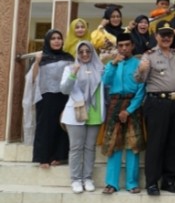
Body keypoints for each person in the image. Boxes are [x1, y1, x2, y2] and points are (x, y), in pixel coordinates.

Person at [135, 22, 175, 196]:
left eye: (169, 35)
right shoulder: (148, 55)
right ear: (156, 36)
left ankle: (169, 181)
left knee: (174, 143)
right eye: (162, 35)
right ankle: (152, 182)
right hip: (157, 103)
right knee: (156, 144)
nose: (166, 38)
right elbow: (139, 79)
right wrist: (141, 70)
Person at [100, 33, 145, 194]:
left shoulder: (139, 64)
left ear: (132, 46)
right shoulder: (112, 64)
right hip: (114, 104)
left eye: (127, 45)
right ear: (117, 47)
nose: (124, 48)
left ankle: (132, 183)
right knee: (114, 144)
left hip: (133, 105)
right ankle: (112, 183)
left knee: (132, 145)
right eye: (121, 45)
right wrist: (113, 64)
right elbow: (105, 82)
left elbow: (141, 90)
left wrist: (129, 110)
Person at [60, 40, 104, 193]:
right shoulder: (70, 68)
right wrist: (73, 74)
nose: (85, 54)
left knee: (90, 147)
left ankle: (87, 178)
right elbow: (65, 90)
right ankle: (76, 179)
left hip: (94, 113)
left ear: (92, 52)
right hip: (76, 113)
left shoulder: (100, 69)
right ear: (77, 54)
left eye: (88, 51)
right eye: (81, 52)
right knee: (76, 148)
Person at [31, 29, 74, 168]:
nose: (56, 41)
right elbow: (33, 78)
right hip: (46, 96)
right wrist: (37, 62)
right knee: (45, 126)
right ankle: (43, 158)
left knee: (62, 126)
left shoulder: (68, 57)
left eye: (59, 38)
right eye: (53, 38)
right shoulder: (42, 57)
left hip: (64, 96)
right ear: (48, 41)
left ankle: (59, 156)